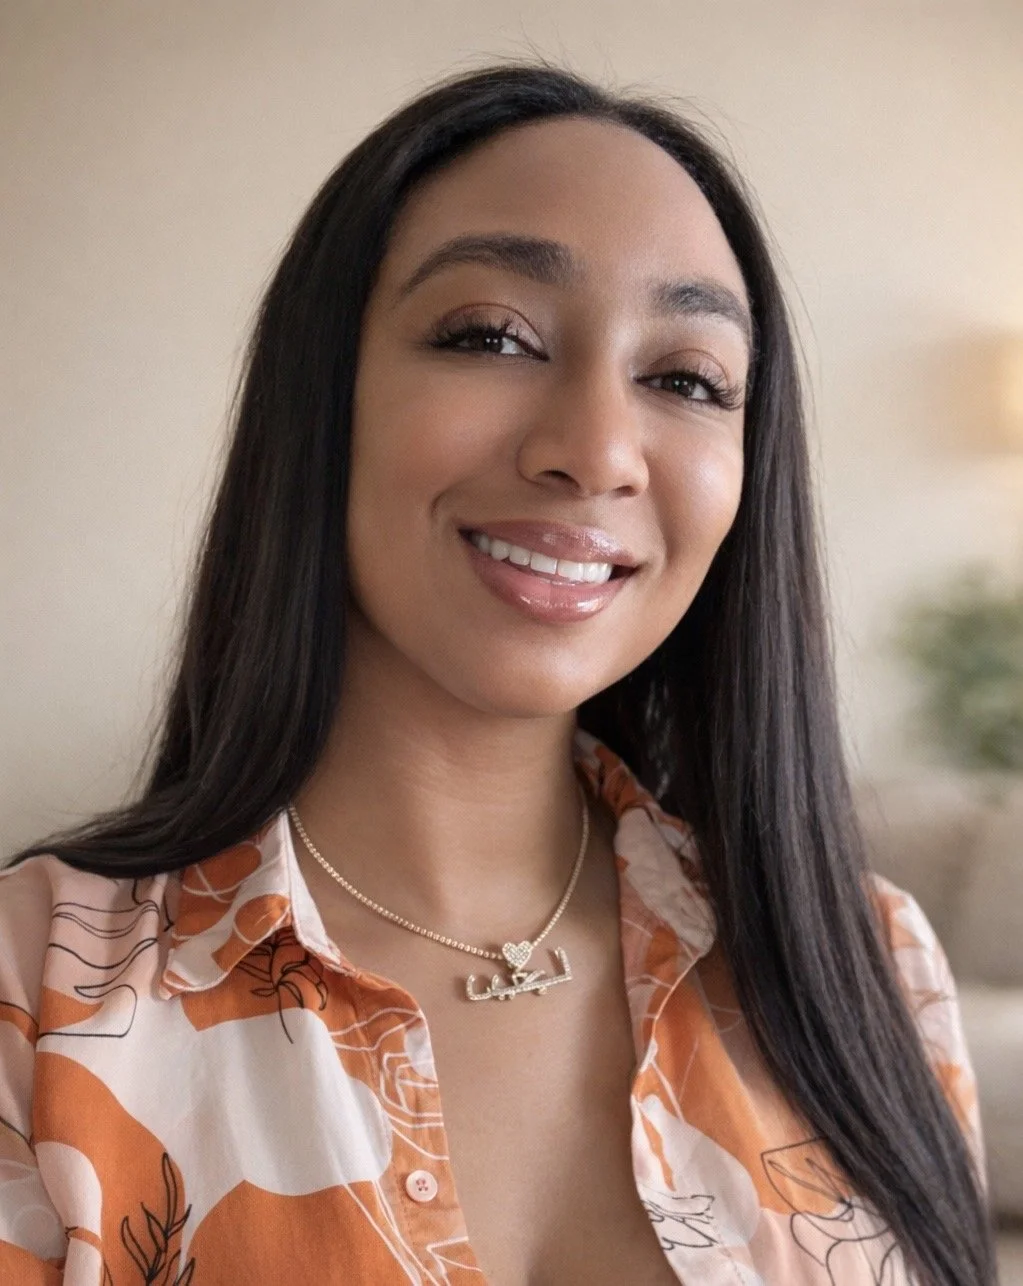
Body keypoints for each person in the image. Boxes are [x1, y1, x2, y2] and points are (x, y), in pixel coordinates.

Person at [0, 59, 996, 1286]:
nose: (594, 449)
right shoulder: (33, 996)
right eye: (491, 335)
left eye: (685, 377)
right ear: (325, 398)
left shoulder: (872, 967)